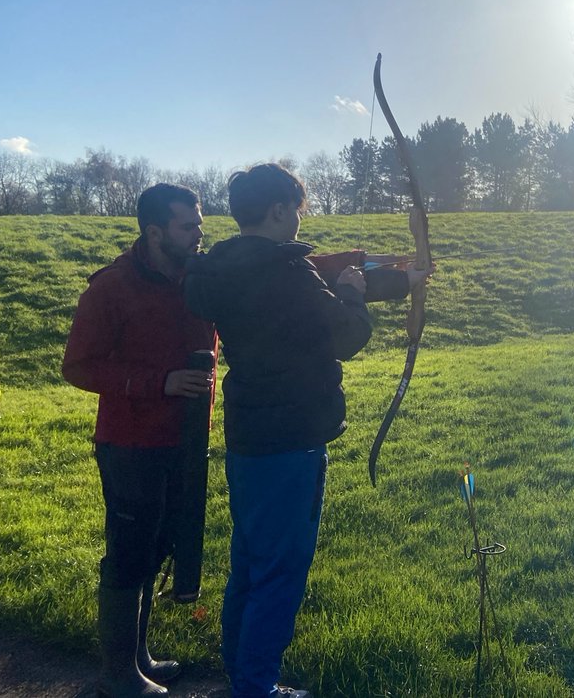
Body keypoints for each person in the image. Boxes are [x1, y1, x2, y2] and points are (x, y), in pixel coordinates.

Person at [183, 163, 429, 698]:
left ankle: (242, 676)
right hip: (291, 436)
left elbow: (299, 289)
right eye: (296, 209)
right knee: (281, 568)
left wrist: (393, 277)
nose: (299, 219)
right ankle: (256, 687)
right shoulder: (287, 274)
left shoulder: (222, 268)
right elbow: (346, 335)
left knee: (250, 562)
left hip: (247, 432)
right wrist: (352, 294)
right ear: (277, 210)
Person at [63, 183, 217, 698]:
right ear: (155, 232)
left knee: (155, 549)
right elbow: (78, 367)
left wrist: (378, 268)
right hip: (130, 445)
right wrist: (160, 382)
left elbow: (272, 270)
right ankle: (117, 676)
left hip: (187, 442)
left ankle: (139, 657)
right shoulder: (111, 287)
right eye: (188, 225)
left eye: (200, 223)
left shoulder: (200, 276)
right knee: (129, 553)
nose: (200, 233)